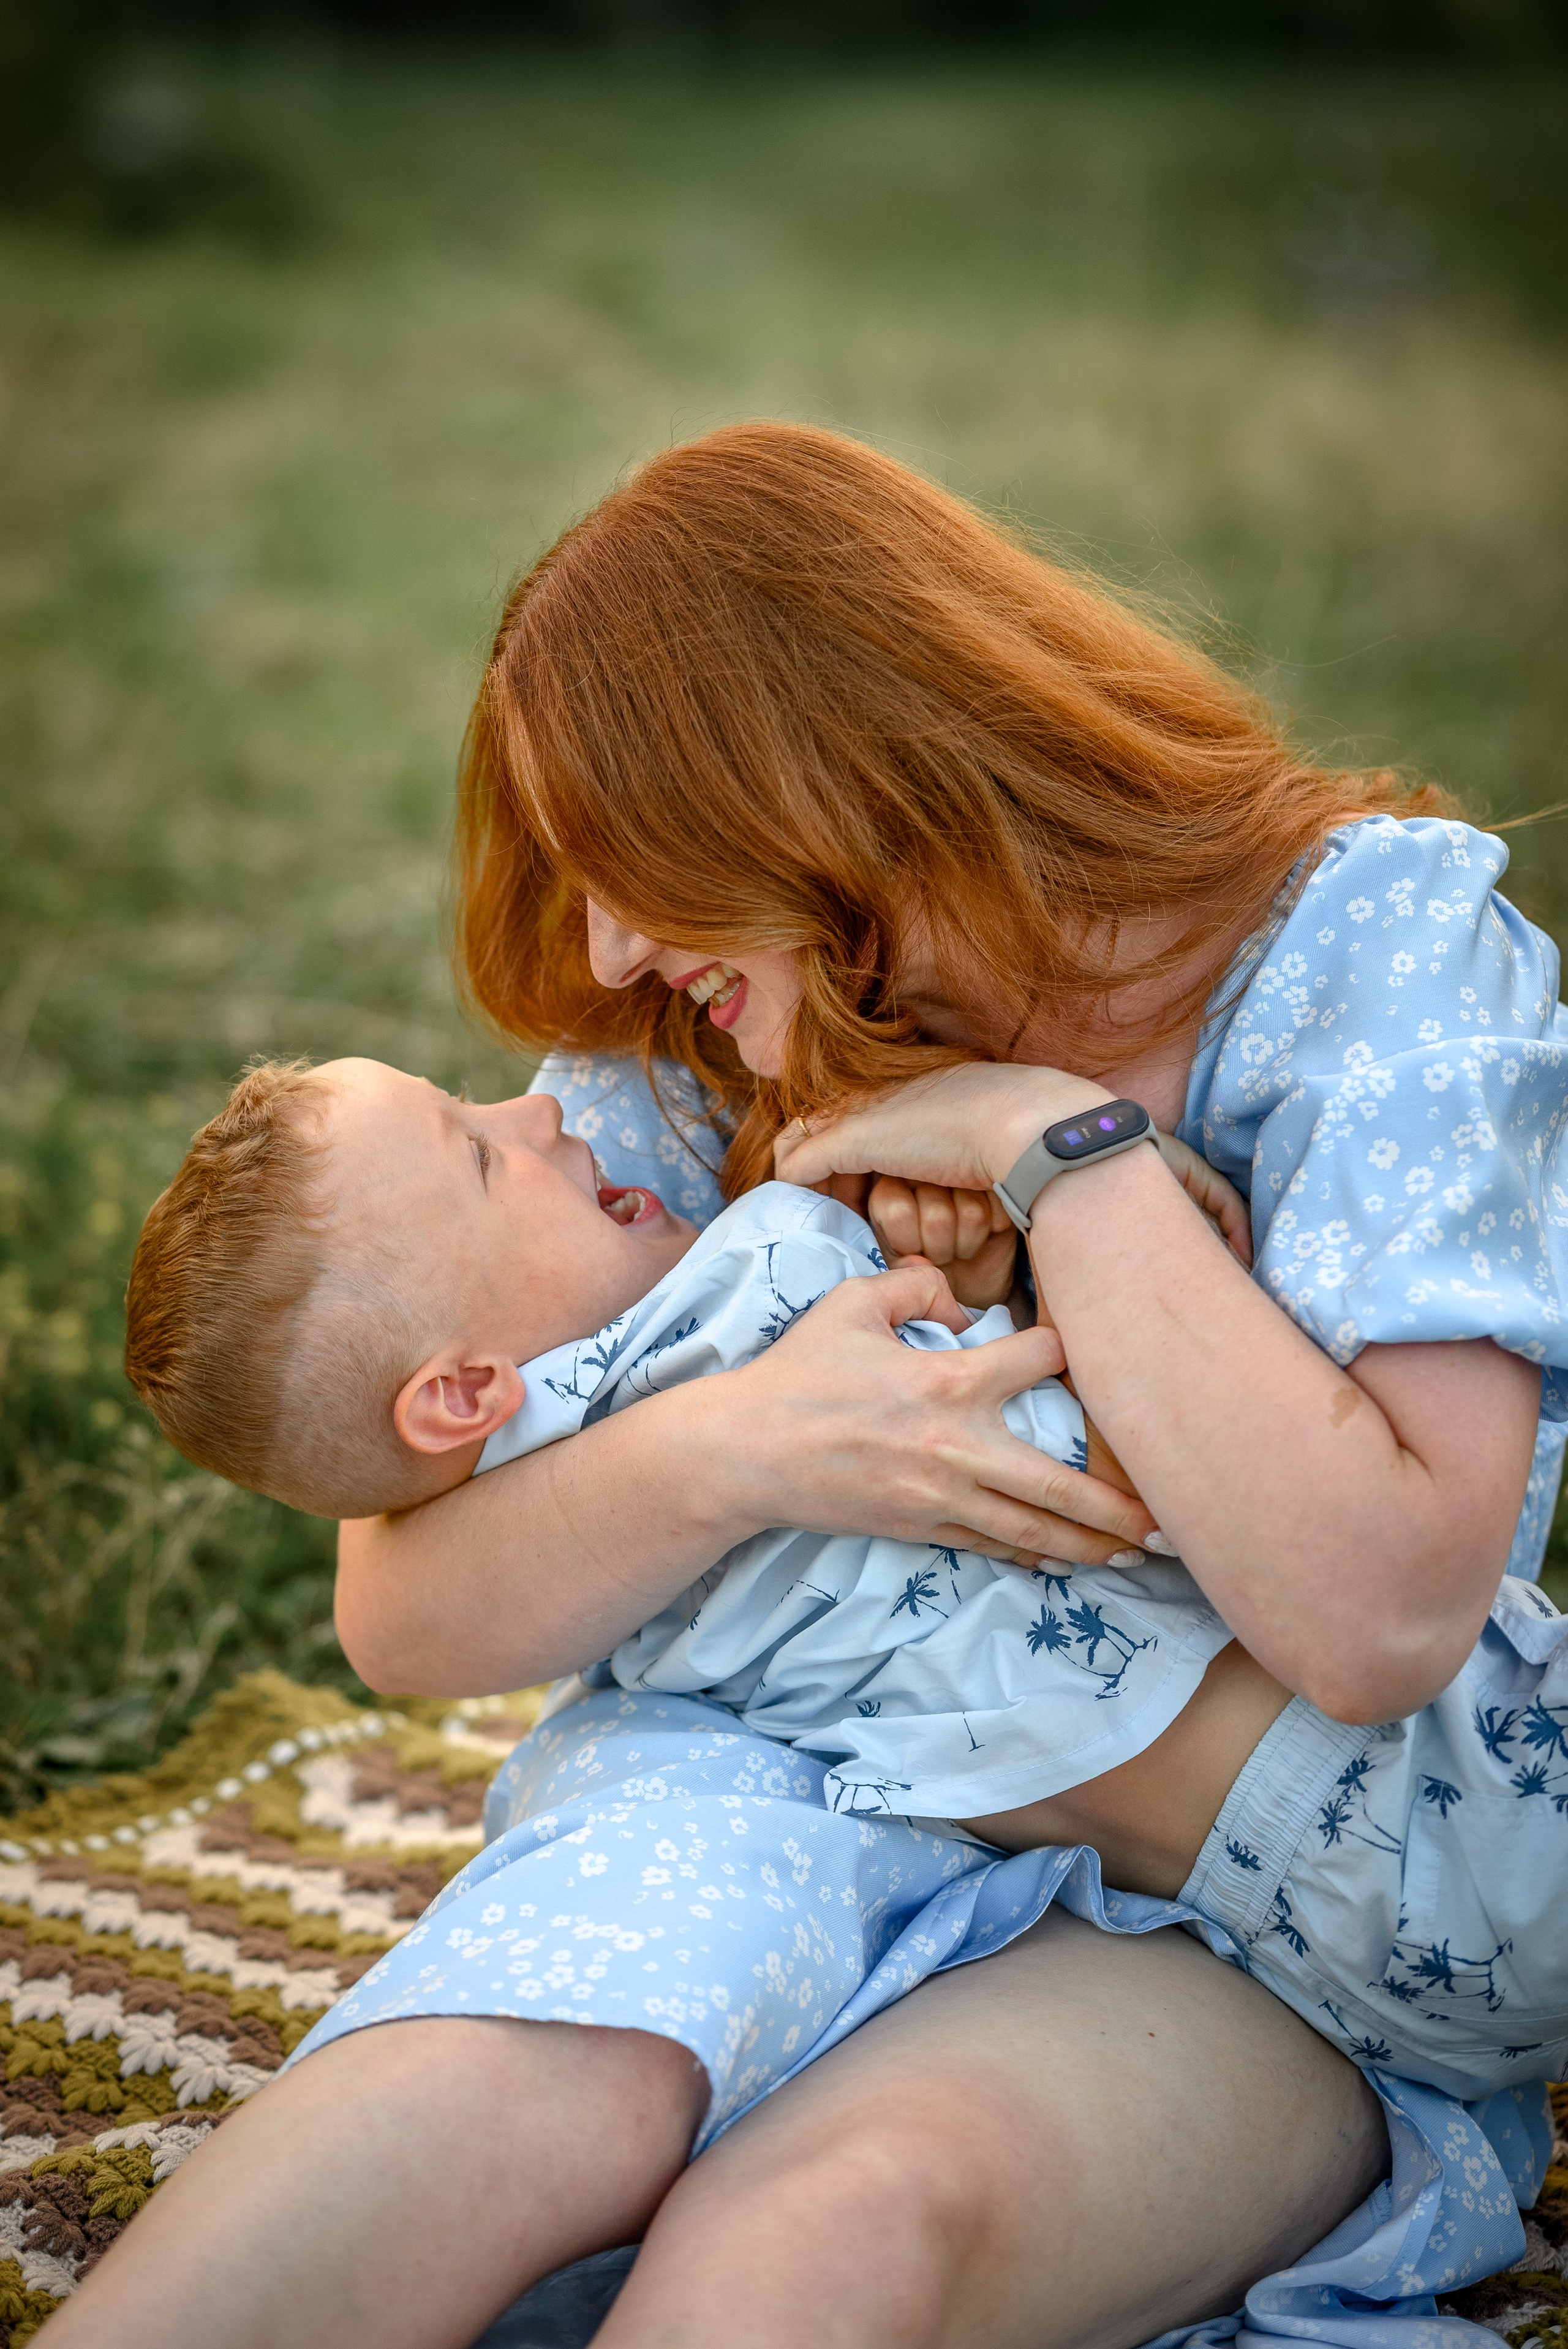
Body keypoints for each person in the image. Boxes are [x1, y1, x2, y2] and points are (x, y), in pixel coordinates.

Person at [57, 423, 1564, 2349]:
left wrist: (1055, 1147)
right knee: (497, 2091)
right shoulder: (710, 1061)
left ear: (795, 775)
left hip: (1274, 1936)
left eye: (626, 863)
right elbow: (403, 1602)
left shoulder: (1381, 966)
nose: (604, 945)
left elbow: (1375, 1615)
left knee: (839, 2225)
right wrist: (742, 1448)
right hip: (810, 1793)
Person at [123, 1047, 1567, 2110]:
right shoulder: (767, 1276)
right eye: (478, 1151)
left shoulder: (582, 1571)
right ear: (460, 1392)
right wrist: (1032, 1235)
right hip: (1472, 1771)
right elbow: (1162, 1467)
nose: (539, 1109)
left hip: (1356, 1991)